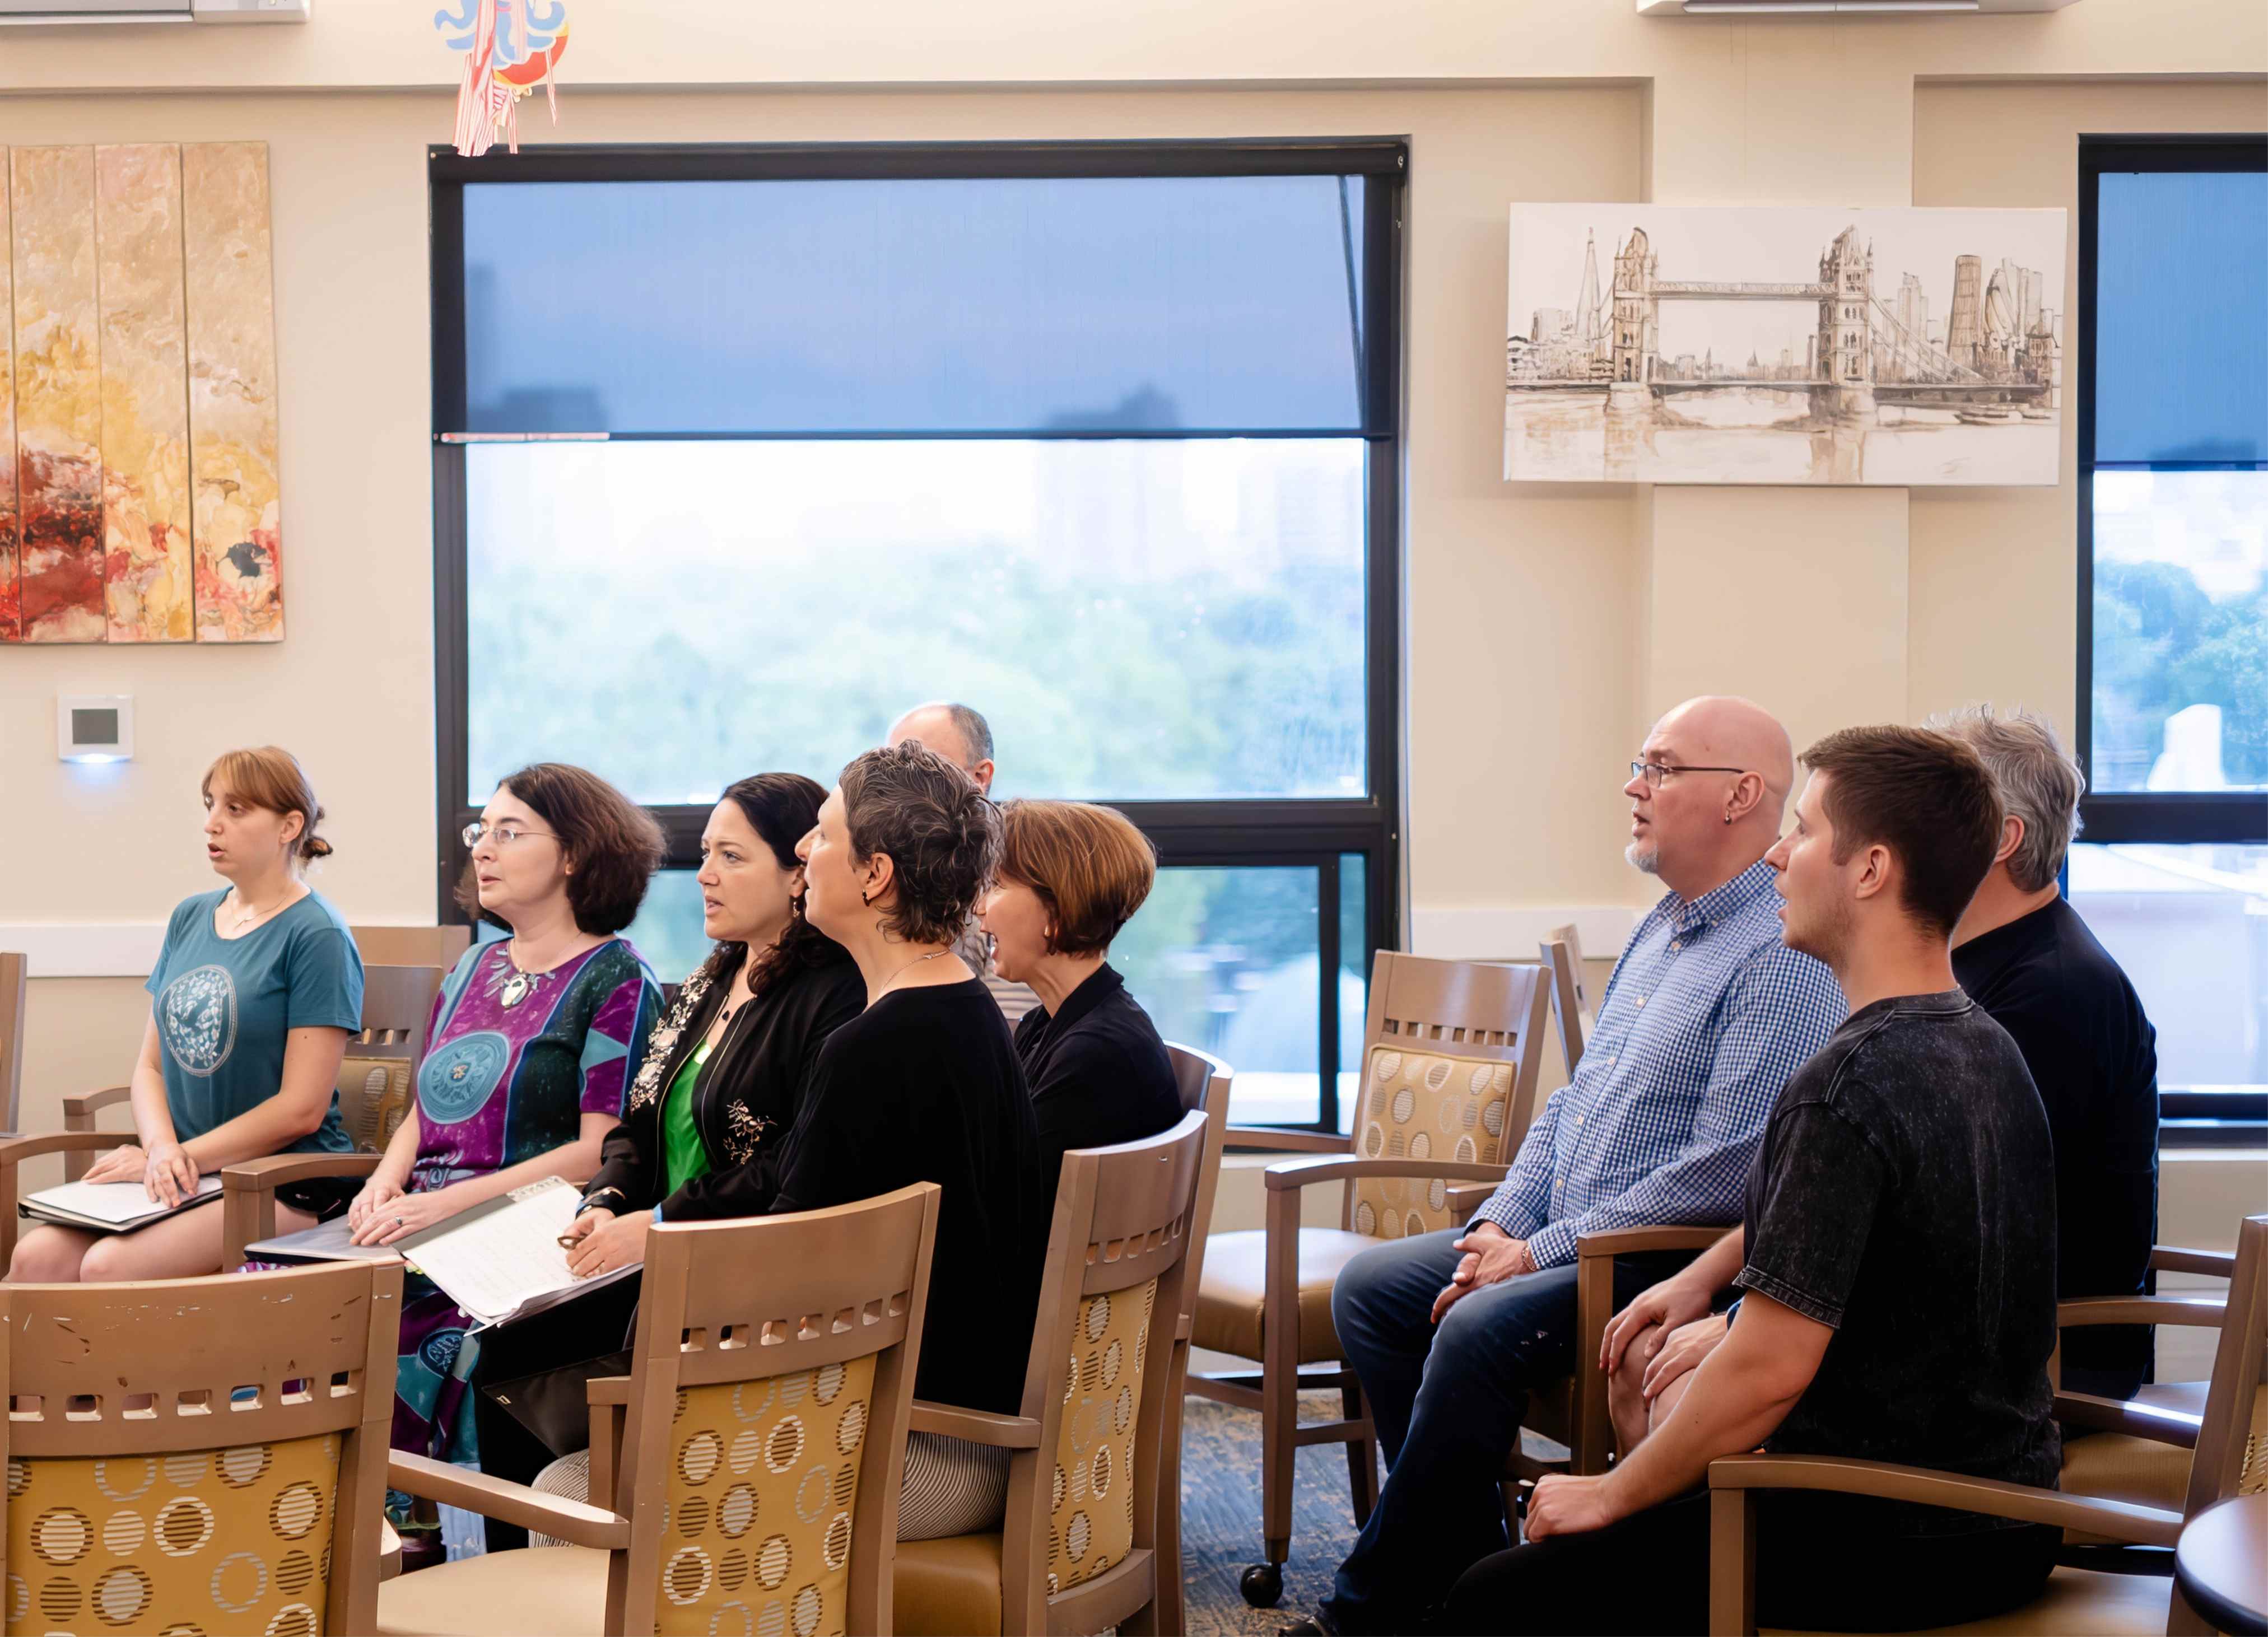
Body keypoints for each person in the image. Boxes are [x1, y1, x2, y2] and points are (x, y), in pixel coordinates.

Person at [1452, 726, 2061, 1636]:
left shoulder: (1844, 1084)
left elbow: (1769, 1369)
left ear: (1870, 869)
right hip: (2009, 1517)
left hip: (1880, 1529)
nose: (1777, 852)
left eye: (1804, 829)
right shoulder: (1987, 1045)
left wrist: (1611, 1491)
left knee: (1492, 1595)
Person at [1286, 697, 1844, 1636]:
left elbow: (1727, 1169)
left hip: (1655, 1258)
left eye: (1660, 767)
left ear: (1740, 794)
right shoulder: (1665, 924)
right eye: (1639, 764)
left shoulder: (1778, 955)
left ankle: (1368, 1612)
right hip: (1566, 1237)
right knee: (1373, 1289)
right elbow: (1571, 1102)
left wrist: (1536, 1251)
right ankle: (1463, 1576)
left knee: (1474, 1325)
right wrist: (1502, 1221)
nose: (1634, 786)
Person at [344, 763, 663, 1546]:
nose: (482, 848)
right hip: (420, 1216)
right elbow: (423, 1109)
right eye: (480, 831)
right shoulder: (472, 968)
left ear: (575, 854)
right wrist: (384, 1180)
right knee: (276, 1290)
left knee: (406, 1324)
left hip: (521, 1228)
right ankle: (318, 1534)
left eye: (509, 832)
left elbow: (595, 1151)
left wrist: (441, 1205)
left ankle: (422, 1539)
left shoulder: (617, 977)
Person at [780, 740, 1046, 1539]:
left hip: (925, 1443)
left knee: (577, 1489)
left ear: (875, 873)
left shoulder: (870, 1048)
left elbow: (779, 1282)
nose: (803, 847)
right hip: (975, 1423)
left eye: (823, 832)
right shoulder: (969, 1007)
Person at [11, 747, 364, 1284]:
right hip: (186, 1169)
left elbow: (301, 1110)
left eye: (236, 809)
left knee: (108, 1267)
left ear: (290, 826)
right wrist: (160, 1150)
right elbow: (150, 1067)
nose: (212, 823)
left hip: (282, 1179)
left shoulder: (318, 934)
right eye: (210, 804)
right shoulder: (190, 916)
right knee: (34, 1259)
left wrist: (179, 1158)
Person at [1933, 704, 2159, 1401]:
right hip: (1967, 1331)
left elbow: (1956, 1218)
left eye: (1933, 804)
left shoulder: (2054, 993)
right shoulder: (1975, 964)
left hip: (2044, 1365)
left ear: (2001, 837)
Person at [981, 799, 1180, 1193]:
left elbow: (1009, 1197)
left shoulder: (1096, 1054)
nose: (978, 909)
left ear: (1055, 913)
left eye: (997, 886)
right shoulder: (1047, 1023)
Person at [885, 700, 1040, 1022]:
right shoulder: (886, 865)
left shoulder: (1021, 863)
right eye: (891, 771)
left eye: (923, 769)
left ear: (980, 776)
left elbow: (1019, 1022)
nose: (901, 789)